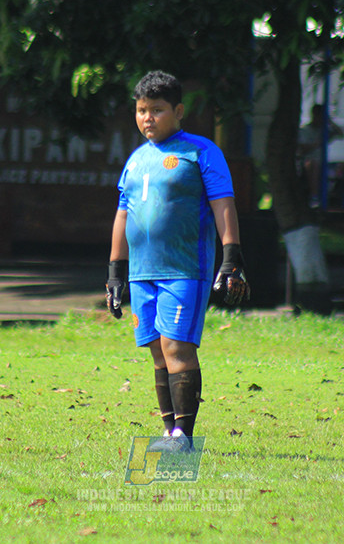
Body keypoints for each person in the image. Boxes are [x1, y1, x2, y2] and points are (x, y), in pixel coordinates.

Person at [105, 70, 250, 453]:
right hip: (141, 273)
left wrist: (231, 258)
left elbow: (224, 205)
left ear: (179, 110)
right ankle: (170, 434)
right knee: (155, 347)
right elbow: (123, 215)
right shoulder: (136, 160)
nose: (147, 118)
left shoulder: (201, 152)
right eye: (141, 110)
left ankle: (184, 437)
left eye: (157, 110)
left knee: (176, 346)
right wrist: (115, 272)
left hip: (185, 269)